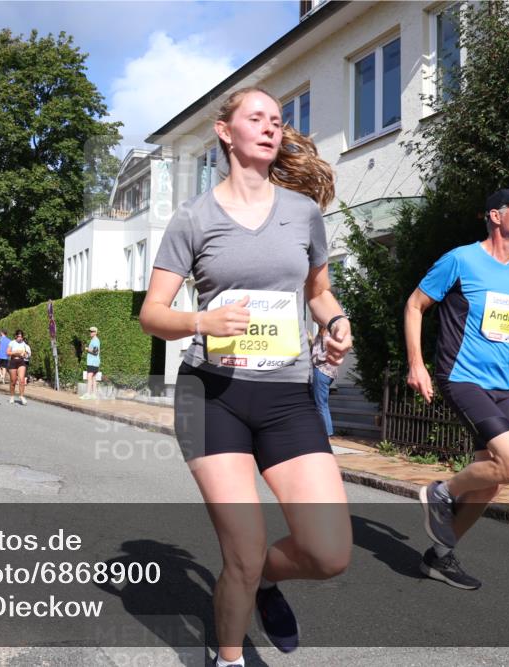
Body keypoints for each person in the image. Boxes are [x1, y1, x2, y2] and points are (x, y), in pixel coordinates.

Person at [139, 87, 351, 665]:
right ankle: (227, 656)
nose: (270, 127)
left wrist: (336, 321)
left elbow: (319, 291)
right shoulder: (193, 218)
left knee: (329, 551)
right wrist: (201, 318)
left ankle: (259, 582)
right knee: (244, 548)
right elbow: (152, 314)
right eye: (255, 118)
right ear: (225, 133)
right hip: (213, 397)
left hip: (287, 397)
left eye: (277, 121)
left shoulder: (304, 214)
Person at [405, 188, 509, 590]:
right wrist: (417, 364)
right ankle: (440, 492)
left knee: (493, 480)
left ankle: (440, 557)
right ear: (496, 216)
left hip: (501, 384)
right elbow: (415, 305)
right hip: (461, 375)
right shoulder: (461, 260)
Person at [310, 325, 338, 437]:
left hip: (321, 371)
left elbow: (320, 355)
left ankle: (326, 433)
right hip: (329, 373)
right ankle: (325, 431)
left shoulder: (326, 335)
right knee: (322, 403)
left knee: (320, 404)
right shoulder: (332, 334)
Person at [7, 329, 30, 405]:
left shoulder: (24, 345)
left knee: (22, 380)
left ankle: (21, 396)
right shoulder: (12, 343)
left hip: (21, 362)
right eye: (18, 336)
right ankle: (12, 396)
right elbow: (8, 352)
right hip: (13, 361)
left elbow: (27, 355)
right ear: (15, 336)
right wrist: (16, 352)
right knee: (13, 381)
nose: (20, 338)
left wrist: (25, 354)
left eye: (21, 336)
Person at [81, 326, 101, 399]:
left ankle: (88, 394)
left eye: (92, 331)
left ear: (95, 332)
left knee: (89, 377)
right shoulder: (95, 340)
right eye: (90, 331)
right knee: (93, 378)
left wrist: (87, 349)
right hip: (95, 362)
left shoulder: (95, 340)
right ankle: (94, 395)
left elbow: (95, 352)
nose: (90, 333)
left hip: (92, 362)